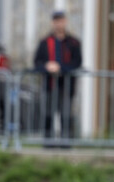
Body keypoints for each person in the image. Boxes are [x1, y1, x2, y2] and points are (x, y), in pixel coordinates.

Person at [33, 10, 83, 144]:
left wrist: (60, 68)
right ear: (52, 23)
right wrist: (47, 67)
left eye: (60, 21)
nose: (58, 24)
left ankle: (66, 144)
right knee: (48, 115)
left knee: (66, 116)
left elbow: (77, 63)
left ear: (65, 22)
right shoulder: (45, 42)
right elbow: (37, 62)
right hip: (49, 85)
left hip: (67, 87)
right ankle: (48, 144)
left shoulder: (73, 43)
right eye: (56, 21)